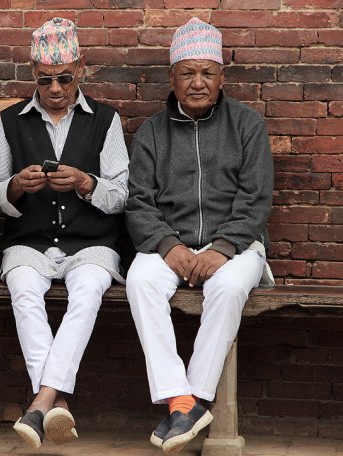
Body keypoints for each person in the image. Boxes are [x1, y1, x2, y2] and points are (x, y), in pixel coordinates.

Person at [125, 17, 274, 454]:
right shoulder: (153, 131)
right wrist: (168, 245)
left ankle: (195, 400)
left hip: (238, 246)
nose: (197, 82)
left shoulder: (247, 125)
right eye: (187, 72)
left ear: (222, 77)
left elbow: (256, 199)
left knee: (227, 287)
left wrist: (224, 249)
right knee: (140, 280)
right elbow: (139, 201)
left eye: (207, 72)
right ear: (172, 77)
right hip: (171, 243)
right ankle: (180, 398)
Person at [0, 17, 130, 449]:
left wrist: (86, 183)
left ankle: (40, 402)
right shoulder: (10, 120)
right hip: (28, 242)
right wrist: (17, 185)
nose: (55, 89)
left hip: (91, 243)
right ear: (33, 74)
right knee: (24, 293)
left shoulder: (105, 120)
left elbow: (122, 194)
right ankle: (59, 403)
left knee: (87, 293)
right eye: (45, 79)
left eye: (64, 79)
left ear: (82, 69)